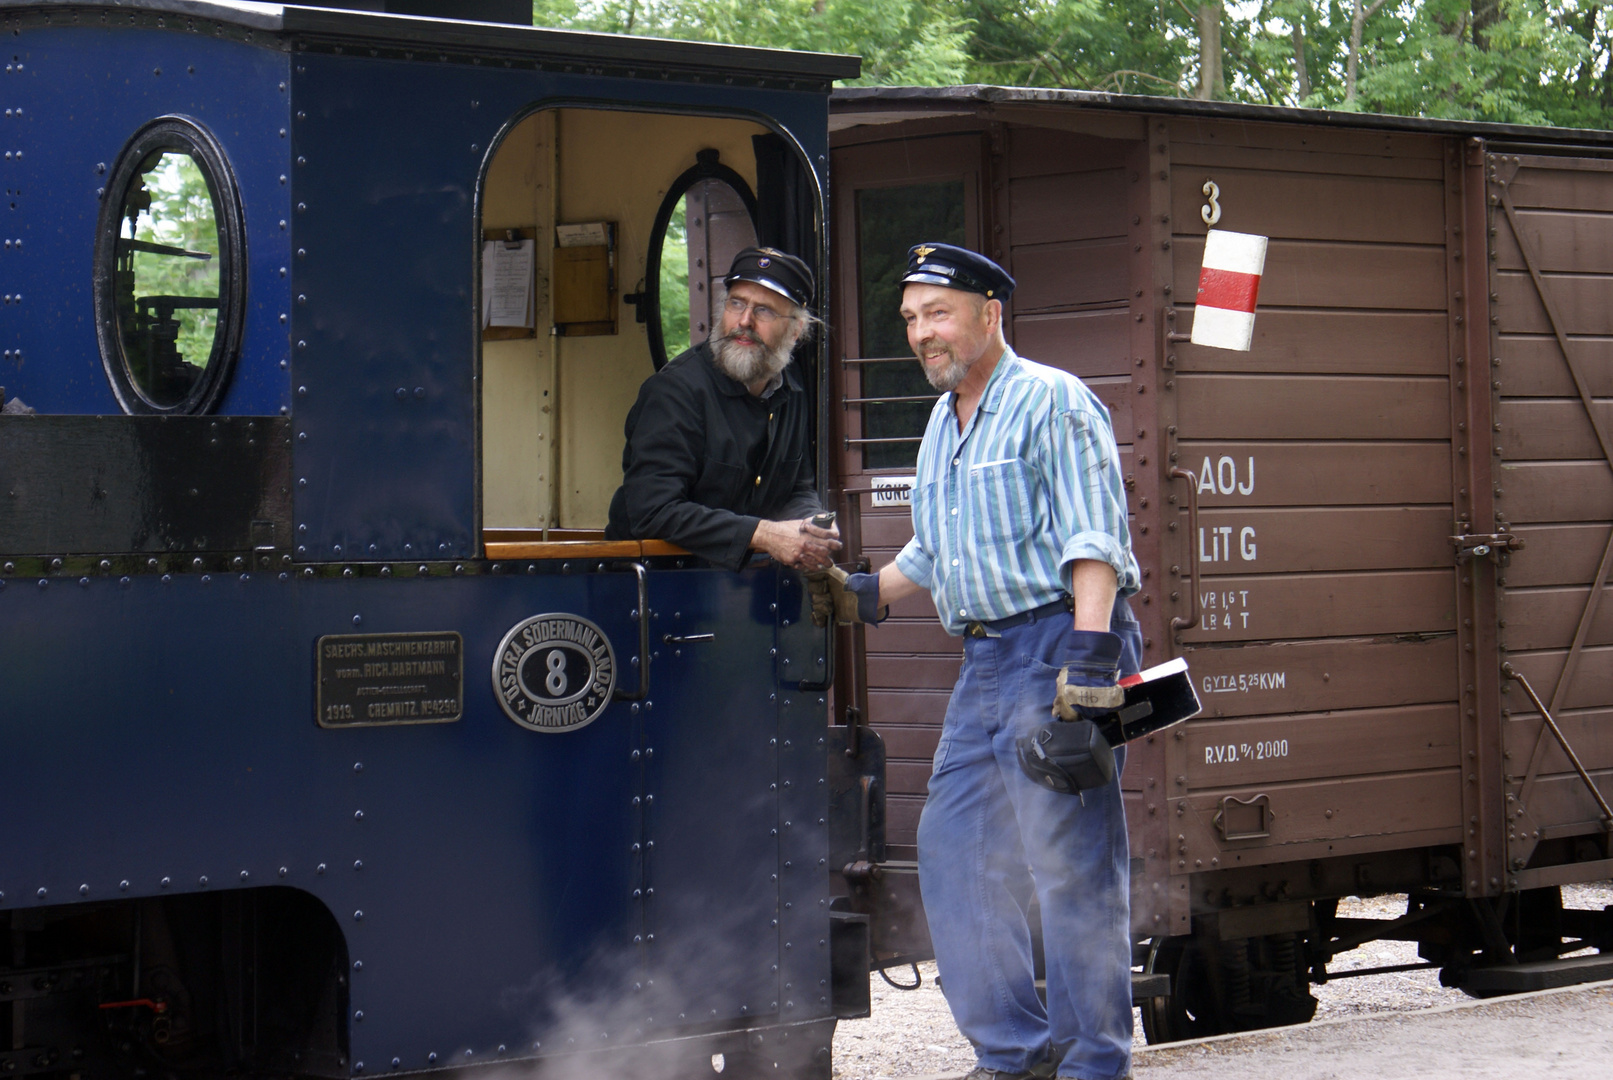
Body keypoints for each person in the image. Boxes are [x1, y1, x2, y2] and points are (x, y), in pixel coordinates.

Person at [823, 243, 1143, 1080]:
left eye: (937, 312)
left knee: (1070, 865)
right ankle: (1014, 1055)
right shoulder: (943, 421)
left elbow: (1093, 540)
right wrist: (860, 592)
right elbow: (936, 550)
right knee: (952, 851)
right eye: (909, 319)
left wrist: (1089, 666)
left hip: (1060, 645)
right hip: (988, 661)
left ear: (988, 312)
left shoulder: (1051, 401)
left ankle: (1092, 1065)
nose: (920, 332)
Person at [606, 247, 840, 571]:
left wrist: (811, 524)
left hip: (737, 596)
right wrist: (765, 534)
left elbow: (796, 486)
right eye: (737, 303)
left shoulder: (792, 388)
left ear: (796, 330)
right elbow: (653, 511)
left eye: (765, 311)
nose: (744, 321)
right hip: (651, 592)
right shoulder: (675, 392)